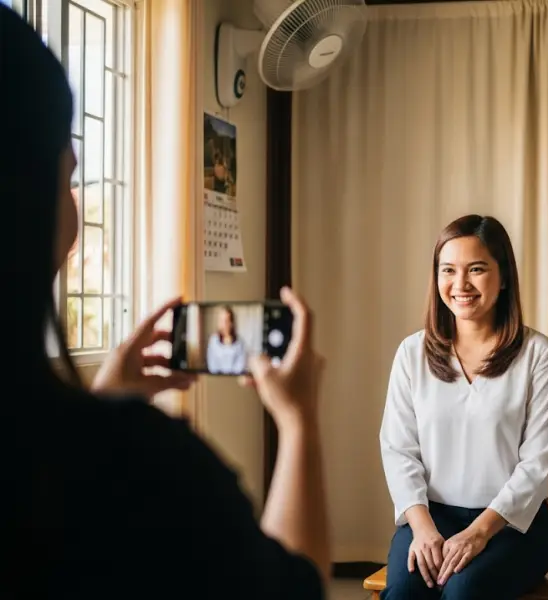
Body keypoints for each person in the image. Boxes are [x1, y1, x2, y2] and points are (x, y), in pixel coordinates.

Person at [3, 7, 328, 599]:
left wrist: (101, 400)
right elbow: (294, 588)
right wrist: (299, 421)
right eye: (68, 177)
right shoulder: (145, 470)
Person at [379, 215, 548, 600]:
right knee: (404, 592)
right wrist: (423, 529)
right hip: (431, 518)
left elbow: (537, 466)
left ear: (504, 276)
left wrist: (479, 532)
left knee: (464, 591)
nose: (460, 284)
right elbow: (398, 450)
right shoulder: (412, 353)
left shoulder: (538, 354)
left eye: (476, 269)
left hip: (513, 525)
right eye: (448, 270)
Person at [206, 305, 248, 374]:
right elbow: (212, 363)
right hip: (216, 377)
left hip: (234, 377)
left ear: (231, 323)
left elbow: (240, 364)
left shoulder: (240, 342)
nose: (224, 324)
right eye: (221, 320)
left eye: (226, 320)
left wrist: (230, 376)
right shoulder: (213, 340)